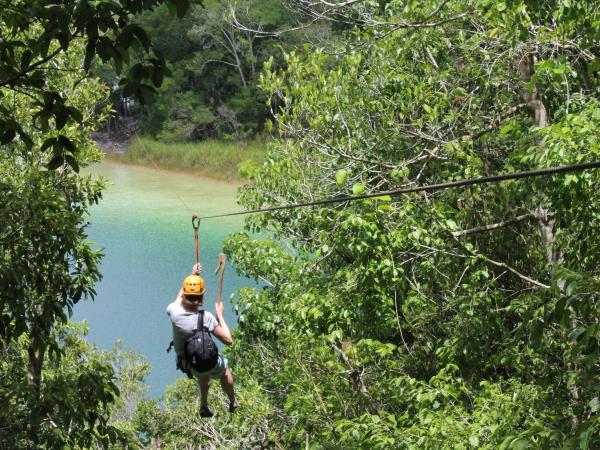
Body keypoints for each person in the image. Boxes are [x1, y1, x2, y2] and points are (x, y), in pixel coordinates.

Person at [166, 263, 236, 417]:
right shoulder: (207, 317)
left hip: (188, 362)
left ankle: (204, 405)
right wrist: (220, 315)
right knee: (224, 370)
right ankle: (232, 401)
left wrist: (193, 276)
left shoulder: (173, 311)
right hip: (205, 360)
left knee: (202, 370)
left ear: (184, 294)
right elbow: (228, 340)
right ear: (202, 296)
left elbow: (178, 299)